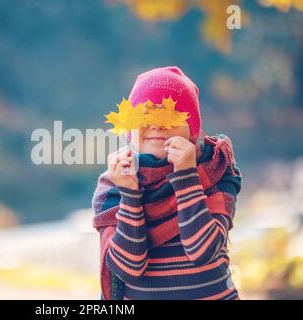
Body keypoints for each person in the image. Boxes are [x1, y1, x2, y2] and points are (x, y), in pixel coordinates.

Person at [92, 66, 242, 300]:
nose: (157, 125)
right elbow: (128, 269)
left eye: (170, 114)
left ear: (191, 130)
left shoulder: (215, 168)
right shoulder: (113, 182)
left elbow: (204, 250)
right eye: (145, 114)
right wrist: (129, 194)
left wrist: (186, 177)